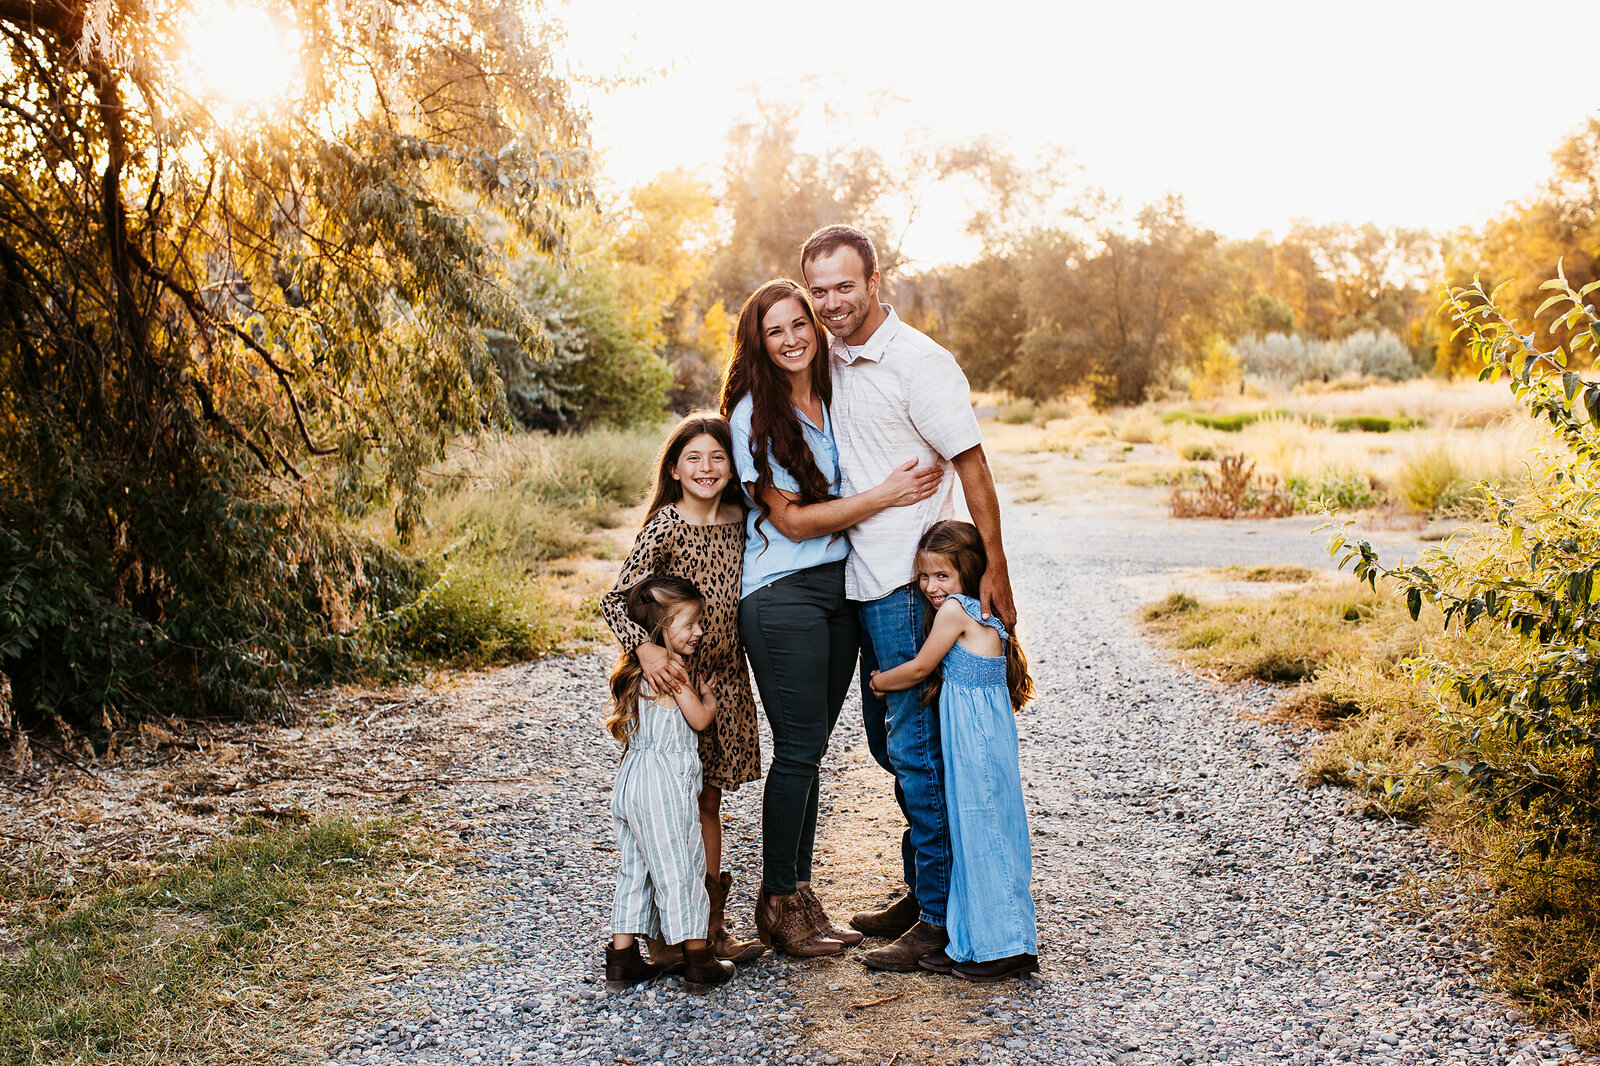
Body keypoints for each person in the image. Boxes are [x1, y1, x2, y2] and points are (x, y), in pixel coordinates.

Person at [800, 224, 1018, 972]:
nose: (831, 302)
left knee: (918, 755)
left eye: (844, 286)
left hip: (909, 585)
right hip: (857, 579)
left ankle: (936, 920)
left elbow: (975, 469)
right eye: (819, 289)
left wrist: (996, 572)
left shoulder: (920, 362)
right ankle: (925, 883)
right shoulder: (825, 358)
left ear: (875, 280)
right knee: (893, 749)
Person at [720, 277, 944, 957]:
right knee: (798, 750)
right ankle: (776, 903)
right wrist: (885, 495)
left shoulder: (837, 394)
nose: (790, 339)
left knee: (812, 751)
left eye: (799, 325)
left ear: (817, 329)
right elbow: (787, 522)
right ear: (759, 345)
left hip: (838, 588)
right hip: (780, 592)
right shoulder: (753, 415)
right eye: (774, 331)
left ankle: (803, 898)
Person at [600, 414, 765, 968]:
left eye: (717, 457)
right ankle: (670, 937)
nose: (706, 468)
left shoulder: (743, 520)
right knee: (671, 804)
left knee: (709, 799)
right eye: (693, 458)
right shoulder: (666, 524)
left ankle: (708, 928)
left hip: (722, 680)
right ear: (674, 468)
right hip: (674, 681)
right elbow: (614, 598)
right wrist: (646, 650)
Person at [868, 521, 1038, 982]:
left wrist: (880, 681)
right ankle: (976, 939)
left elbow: (921, 667)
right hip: (989, 737)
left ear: (966, 571)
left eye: (942, 575)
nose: (930, 586)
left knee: (980, 832)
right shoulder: (984, 610)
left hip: (974, 742)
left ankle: (1008, 949)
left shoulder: (956, 612)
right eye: (924, 576)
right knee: (983, 830)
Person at [603, 575, 737, 995]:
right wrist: (710, 699)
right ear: (660, 631)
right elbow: (698, 720)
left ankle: (622, 961)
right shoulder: (673, 671)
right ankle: (699, 960)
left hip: (631, 783)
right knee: (683, 868)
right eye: (690, 624)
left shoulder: (637, 671)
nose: (699, 631)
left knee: (635, 870)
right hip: (663, 788)